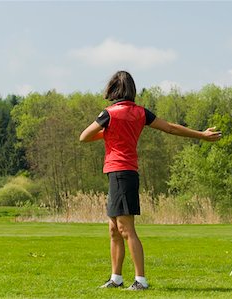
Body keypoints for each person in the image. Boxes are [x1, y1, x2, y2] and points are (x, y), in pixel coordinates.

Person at [79, 70, 221, 290]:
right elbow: (171, 128)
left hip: (120, 173)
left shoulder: (108, 114)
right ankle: (116, 279)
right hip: (126, 174)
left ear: (113, 89)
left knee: (126, 229)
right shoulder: (141, 113)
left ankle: (140, 280)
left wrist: (107, 132)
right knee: (114, 229)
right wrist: (201, 135)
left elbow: (84, 136)